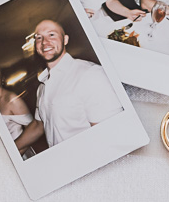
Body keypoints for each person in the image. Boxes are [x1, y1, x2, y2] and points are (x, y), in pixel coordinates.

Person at [13, 19, 123, 150]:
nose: (44, 42)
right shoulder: (42, 87)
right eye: (38, 38)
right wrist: (12, 149)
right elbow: (39, 124)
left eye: (51, 35)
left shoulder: (90, 74)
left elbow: (109, 135)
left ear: (65, 40)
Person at [0, 64, 35, 158]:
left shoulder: (12, 99)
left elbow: (33, 131)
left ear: (2, 78)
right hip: (3, 154)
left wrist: (15, 156)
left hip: (20, 153)